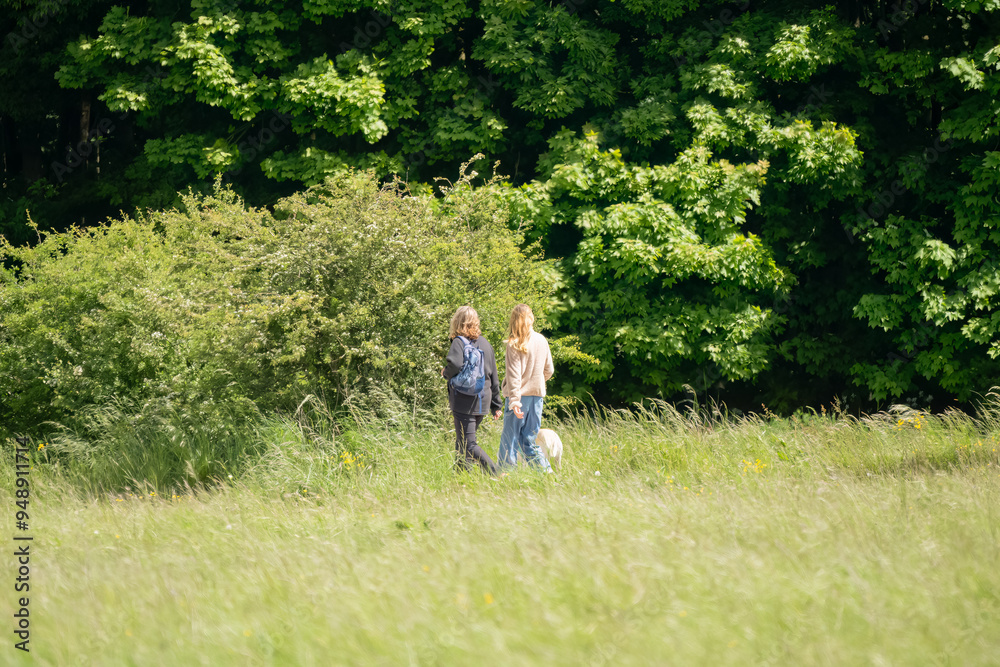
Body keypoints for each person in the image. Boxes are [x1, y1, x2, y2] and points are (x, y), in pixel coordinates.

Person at [442, 306, 502, 476]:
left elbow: (454, 365)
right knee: (462, 443)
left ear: (457, 322)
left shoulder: (458, 342)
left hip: (464, 402)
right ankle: (461, 479)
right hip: (482, 401)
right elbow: (493, 375)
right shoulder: (485, 344)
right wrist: (496, 405)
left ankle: (496, 473)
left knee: (469, 445)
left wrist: (445, 373)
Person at [498, 304, 554, 472]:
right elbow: (549, 370)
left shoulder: (513, 344)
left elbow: (514, 376)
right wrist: (536, 382)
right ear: (531, 318)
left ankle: (505, 476)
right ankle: (547, 473)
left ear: (513, 321)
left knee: (510, 440)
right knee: (529, 440)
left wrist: (515, 402)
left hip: (519, 399)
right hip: (537, 398)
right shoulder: (542, 340)